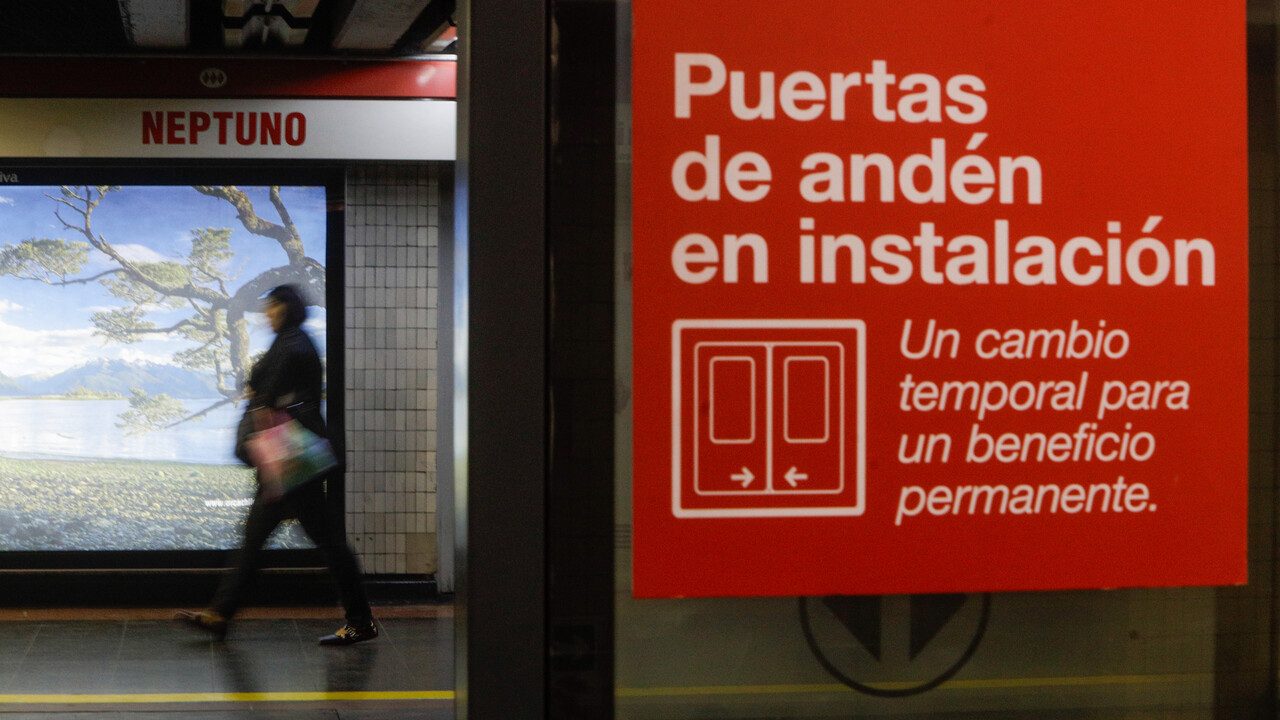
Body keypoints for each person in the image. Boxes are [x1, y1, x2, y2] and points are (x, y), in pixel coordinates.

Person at [176, 284, 377, 646]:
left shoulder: (293, 344)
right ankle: (221, 614)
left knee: (321, 543)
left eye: (271, 306)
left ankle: (360, 620)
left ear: (286, 307)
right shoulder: (293, 342)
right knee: (258, 539)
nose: (266, 313)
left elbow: (264, 392)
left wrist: (255, 392)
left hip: (293, 462)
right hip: (287, 460)